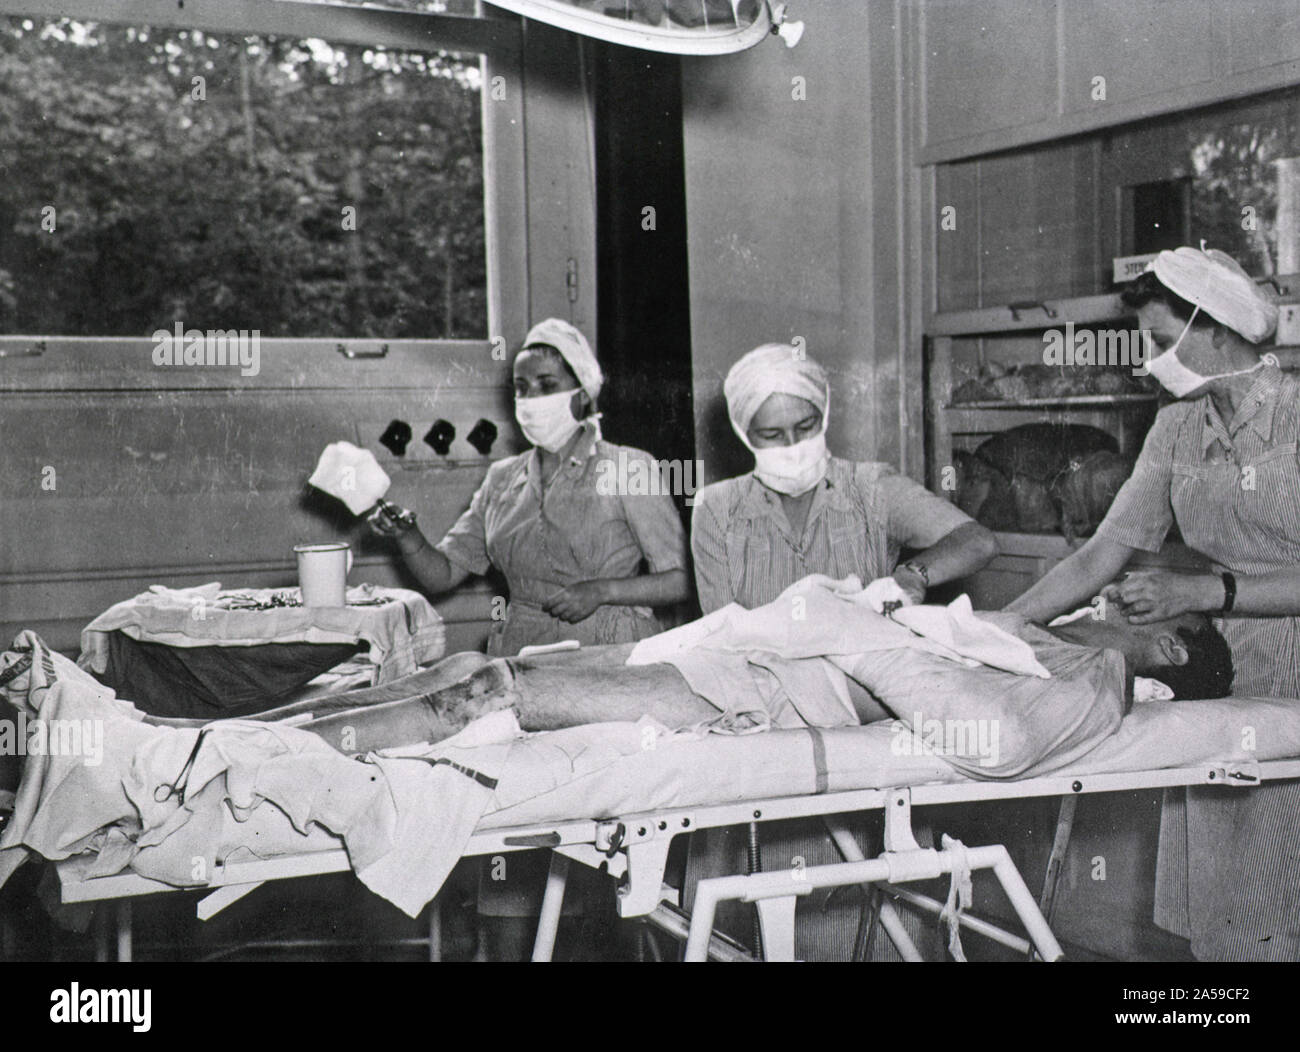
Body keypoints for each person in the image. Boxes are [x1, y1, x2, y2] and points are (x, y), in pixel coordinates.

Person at [1007, 244, 1300, 960]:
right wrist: (1008, 626)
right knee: (1218, 901)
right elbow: (1103, 551)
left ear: (1219, 333)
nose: (1152, 361)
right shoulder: (1178, 426)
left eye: (1164, 343)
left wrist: (1209, 588)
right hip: (1216, 672)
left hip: (1291, 674)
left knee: (1273, 894)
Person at [368, 317, 692, 959]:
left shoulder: (630, 469)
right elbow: (443, 573)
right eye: (521, 387)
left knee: (604, 839)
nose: (531, 399)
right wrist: (406, 536)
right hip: (517, 666)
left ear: (584, 391)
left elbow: (681, 580)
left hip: (608, 664)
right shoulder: (502, 481)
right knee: (507, 834)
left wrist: (602, 589)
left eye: (547, 383)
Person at [687, 343, 999, 959]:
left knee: (884, 909)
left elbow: (976, 540)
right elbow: (724, 633)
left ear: (824, 416)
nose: (792, 447)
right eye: (770, 435)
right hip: (774, 727)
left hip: (871, 723)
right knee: (777, 918)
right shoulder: (719, 508)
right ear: (743, 434)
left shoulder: (869, 489)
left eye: (805, 428)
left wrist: (913, 576)